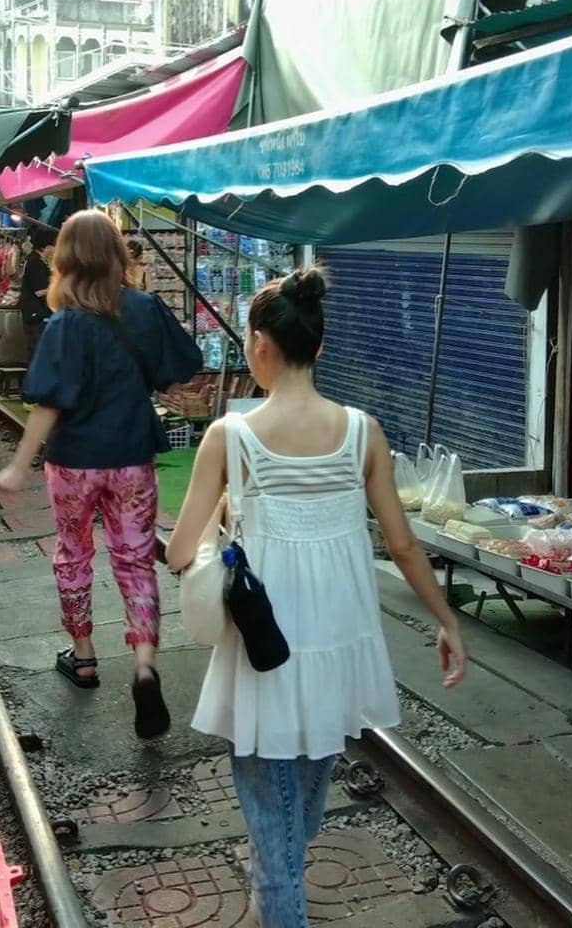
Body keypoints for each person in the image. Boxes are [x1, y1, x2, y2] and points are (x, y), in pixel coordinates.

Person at [165, 267, 468, 928]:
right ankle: (277, 889)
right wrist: (446, 619)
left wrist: (228, 507)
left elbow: (180, 551)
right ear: (319, 347)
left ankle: (278, 899)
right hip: (339, 648)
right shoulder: (363, 431)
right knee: (293, 817)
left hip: (265, 654)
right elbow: (404, 545)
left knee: (275, 842)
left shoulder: (230, 437)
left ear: (259, 344)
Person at [0, 210, 203, 739]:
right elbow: (182, 366)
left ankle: (83, 655)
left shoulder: (65, 324)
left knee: (73, 553)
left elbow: (48, 403)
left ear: (65, 258)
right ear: (116, 254)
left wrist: (20, 464)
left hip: (75, 463)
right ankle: (145, 664)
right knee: (135, 561)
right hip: (132, 456)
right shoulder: (146, 309)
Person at [20, 228, 56, 360]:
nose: (55, 249)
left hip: (35, 313)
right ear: (45, 246)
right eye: (54, 245)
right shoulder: (36, 262)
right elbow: (39, 292)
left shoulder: (36, 260)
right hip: (35, 314)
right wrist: (57, 285)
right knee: (37, 350)